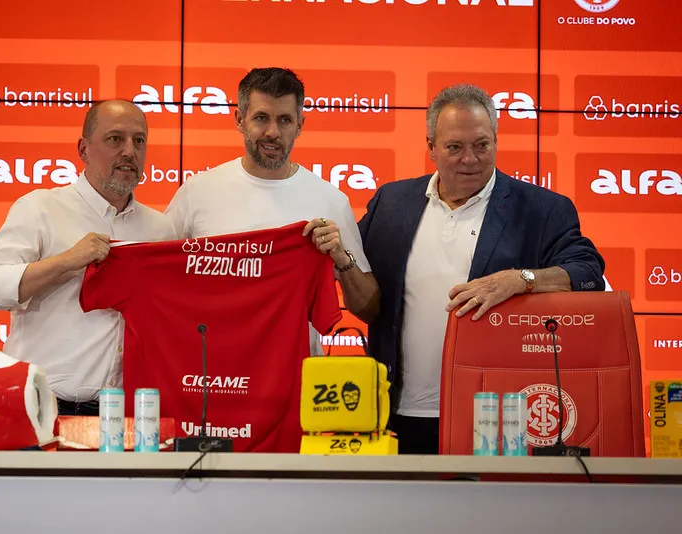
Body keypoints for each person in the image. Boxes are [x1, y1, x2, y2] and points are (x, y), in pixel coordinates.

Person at [358, 83, 605, 454]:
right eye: (454, 147)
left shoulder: (541, 209)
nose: (470, 158)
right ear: (431, 148)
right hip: (394, 415)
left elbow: (589, 274)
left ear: (495, 141)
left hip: (496, 417)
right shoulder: (390, 202)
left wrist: (521, 280)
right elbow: (355, 275)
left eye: (481, 145)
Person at [0, 99, 177, 415]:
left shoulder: (161, 229)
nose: (129, 151)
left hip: (124, 415)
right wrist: (67, 261)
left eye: (139, 141)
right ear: (83, 149)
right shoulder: (40, 208)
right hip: (40, 407)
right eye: (115, 139)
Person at [165, 67, 380, 350]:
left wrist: (341, 258)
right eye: (261, 118)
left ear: (300, 125)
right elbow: (161, 283)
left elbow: (369, 309)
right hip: (215, 377)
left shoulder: (329, 200)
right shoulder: (196, 193)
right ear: (240, 119)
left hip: (296, 382)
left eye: (285, 120)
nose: (273, 132)